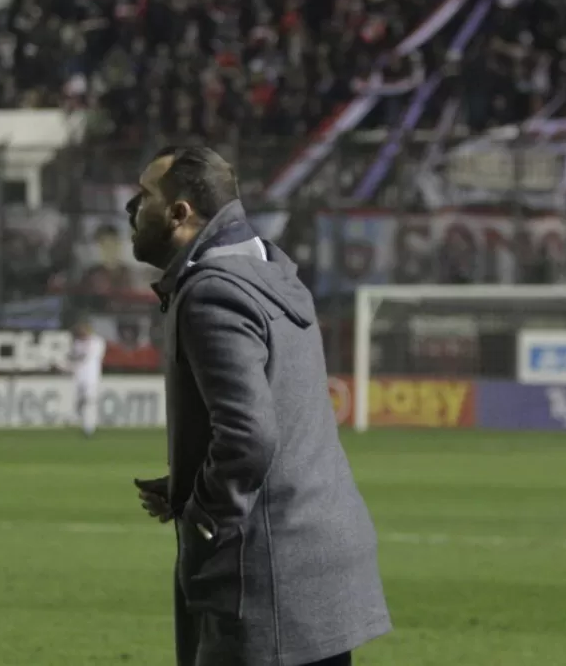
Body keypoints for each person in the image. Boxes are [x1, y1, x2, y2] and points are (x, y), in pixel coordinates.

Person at [128, 146, 391, 666]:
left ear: (180, 213)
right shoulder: (273, 272)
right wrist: (188, 480)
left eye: (144, 196)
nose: (133, 209)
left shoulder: (212, 292)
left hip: (265, 571)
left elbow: (248, 437)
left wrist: (204, 516)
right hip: (320, 557)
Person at [69, 319, 106, 437]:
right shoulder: (77, 343)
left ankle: (89, 427)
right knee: (80, 401)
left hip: (91, 376)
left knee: (90, 401)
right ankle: (80, 419)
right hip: (79, 376)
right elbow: (74, 357)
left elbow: (86, 356)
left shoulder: (97, 341)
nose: (82, 332)